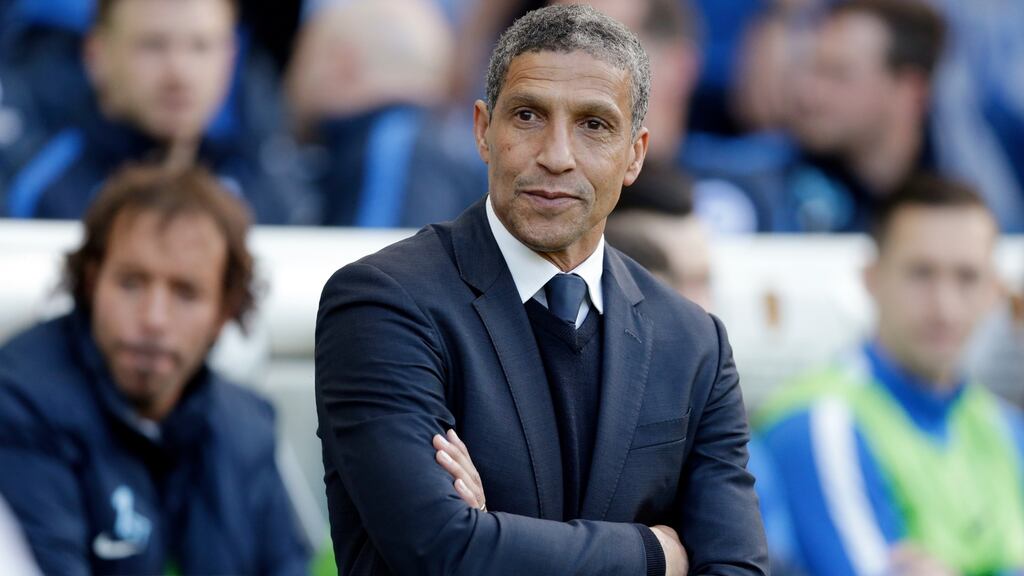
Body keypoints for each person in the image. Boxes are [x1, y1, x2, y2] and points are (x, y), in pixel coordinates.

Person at [315, 5, 768, 575]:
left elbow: (736, 568)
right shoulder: (383, 304)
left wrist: (495, 535)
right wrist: (653, 553)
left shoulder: (694, 342)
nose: (556, 156)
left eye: (594, 125)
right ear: (483, 130)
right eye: (528, 116)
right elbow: (441, 549)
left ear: (636, 153)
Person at [0, 164, 310, 574]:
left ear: (224, 309)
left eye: (186, 293)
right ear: (92, 282)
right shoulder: (19, 401)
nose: (154, 319)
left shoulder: (248, 424)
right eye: (131, 283)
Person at [755, 174, 1024, 574]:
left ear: (994, 292)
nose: (944, 306)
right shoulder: (820, 420)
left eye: (966, 277)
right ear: (871, 279)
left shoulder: (1005, 427)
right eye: (921, 273)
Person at [1, 0, 309, 224]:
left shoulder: (268, 190)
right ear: (96, 55)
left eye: (200, 46)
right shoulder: (34, 189)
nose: (179, 73)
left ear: (230, 59)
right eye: (153, 45)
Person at [781, 0, 947, 232]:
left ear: (910, 91)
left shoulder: (976, 196)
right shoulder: (767, 186)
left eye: (838, 74)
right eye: (812, 70)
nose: (809, 93)